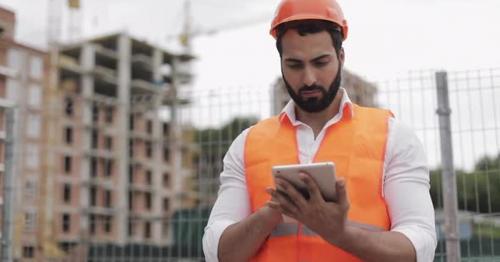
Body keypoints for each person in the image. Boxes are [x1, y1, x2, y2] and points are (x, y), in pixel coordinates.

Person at [202, 0, 437, 261]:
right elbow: (218, 252)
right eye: (295, 65)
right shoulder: (247, 144)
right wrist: (273, 212)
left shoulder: (393, 136)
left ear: (341, 57)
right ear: (280, 62)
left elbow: (420, 246)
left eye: (320, 62)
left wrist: (340, 233)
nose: (309, 78)